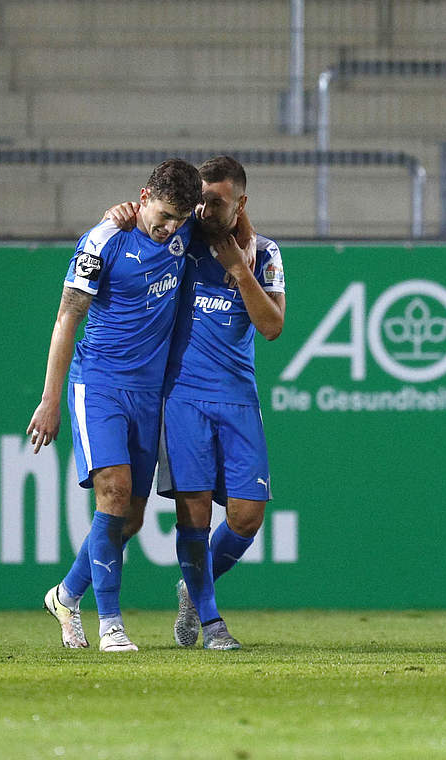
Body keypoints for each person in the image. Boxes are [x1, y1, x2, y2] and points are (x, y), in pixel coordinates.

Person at [29, 159, 203, 653]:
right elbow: (67, 318)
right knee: (114, 491)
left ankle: (65, 596)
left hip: (150, 395)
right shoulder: (103, 241)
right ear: (143, 196)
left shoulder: (184, 233)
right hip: (99, 384)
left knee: (130, 518)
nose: (170, 227)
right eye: (164, 214)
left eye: (179, 218)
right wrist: (50, 400)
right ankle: (110, 624)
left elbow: (225, 219)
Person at [158, 156, 285, 651]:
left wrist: (241, 269)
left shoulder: (266, 254)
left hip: (238, 398)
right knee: (193, 515)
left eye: (219, 201)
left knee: (248, 515)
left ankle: (193, 586)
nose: (206, 209)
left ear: (241, 204)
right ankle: (212, 624)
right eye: (202, 200)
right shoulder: (182, 242)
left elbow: (272, 327)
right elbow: (150, 217)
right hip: (183, 395)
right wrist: (116, 216)